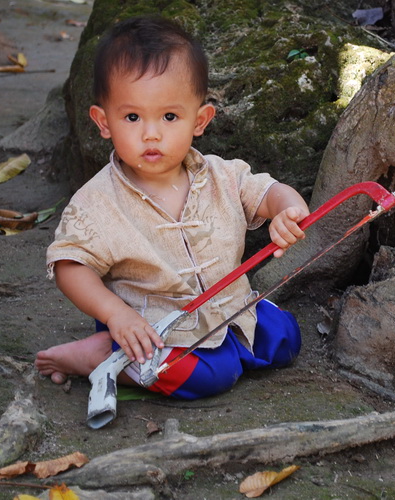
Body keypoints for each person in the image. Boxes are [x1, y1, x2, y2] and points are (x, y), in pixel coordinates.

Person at [35, 16, 309, 399]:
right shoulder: (97, 201)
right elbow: (69, 265)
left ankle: (221, 348)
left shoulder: (220, 175)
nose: (151, 133)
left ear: (200, 120)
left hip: (227, 307)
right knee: (210, 376)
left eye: (169, 116)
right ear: (103, 122)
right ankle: (101, 356)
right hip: (149, 327)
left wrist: (288, 210)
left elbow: (269, 192)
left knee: (285, 338)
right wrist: (115, 315)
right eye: (132, 117)